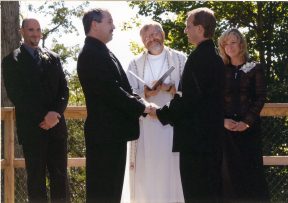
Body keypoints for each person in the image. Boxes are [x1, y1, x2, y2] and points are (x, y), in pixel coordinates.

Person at [77, 9, 153, 203]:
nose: (114, 27)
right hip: (104, 135)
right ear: (94, 24)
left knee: (111, 191)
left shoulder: (101, 51)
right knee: (103, 191)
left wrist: (139, 100)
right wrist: (142, 107)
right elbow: (110, 91)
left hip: (112, 134)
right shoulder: (91, 54)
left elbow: (122, 87)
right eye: (109, 22)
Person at [150, 8, 225, 202]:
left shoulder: (198, 59)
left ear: (200, 29)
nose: (185, 31)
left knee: (196, 193)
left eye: (188, 26)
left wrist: (161, 113)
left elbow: (188, 99)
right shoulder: (215, 58)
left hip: (196, 142)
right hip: (212, 139)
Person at [2, 18, 70, 203]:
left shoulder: (53, 57)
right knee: (36, 179)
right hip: (33, 128)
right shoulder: (11, 61)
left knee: (60, 178)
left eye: (38, 29)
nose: (35, 33)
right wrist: (44, 117)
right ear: (21, 31)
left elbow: (64, 90)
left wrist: (55, 114)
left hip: (56, 126)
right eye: (31, 29)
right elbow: (17, 95)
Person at [123, 20, 186, 203]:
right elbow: (128, 92)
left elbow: (190, 89)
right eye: (147, 36)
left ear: (163, 34)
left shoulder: (180, 59)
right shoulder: (135, 64)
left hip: (172, 123)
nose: (152, 39)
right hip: (147, 125)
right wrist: (144, 92)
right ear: (143, 41)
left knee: (172, 168)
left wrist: (170, 88)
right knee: (149, 169)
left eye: (155, 33)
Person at [218, 28, 270, 202]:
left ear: (241, 44)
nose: (229, 46)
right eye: (226, 43)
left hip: (249, 130)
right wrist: (223, 121)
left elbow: (260, 97)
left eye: (233, 42)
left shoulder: (255, 68)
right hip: (226, 131)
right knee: (227, 177)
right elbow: (214, 99)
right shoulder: (220, 70)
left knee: (251, 175)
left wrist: (247, 122)